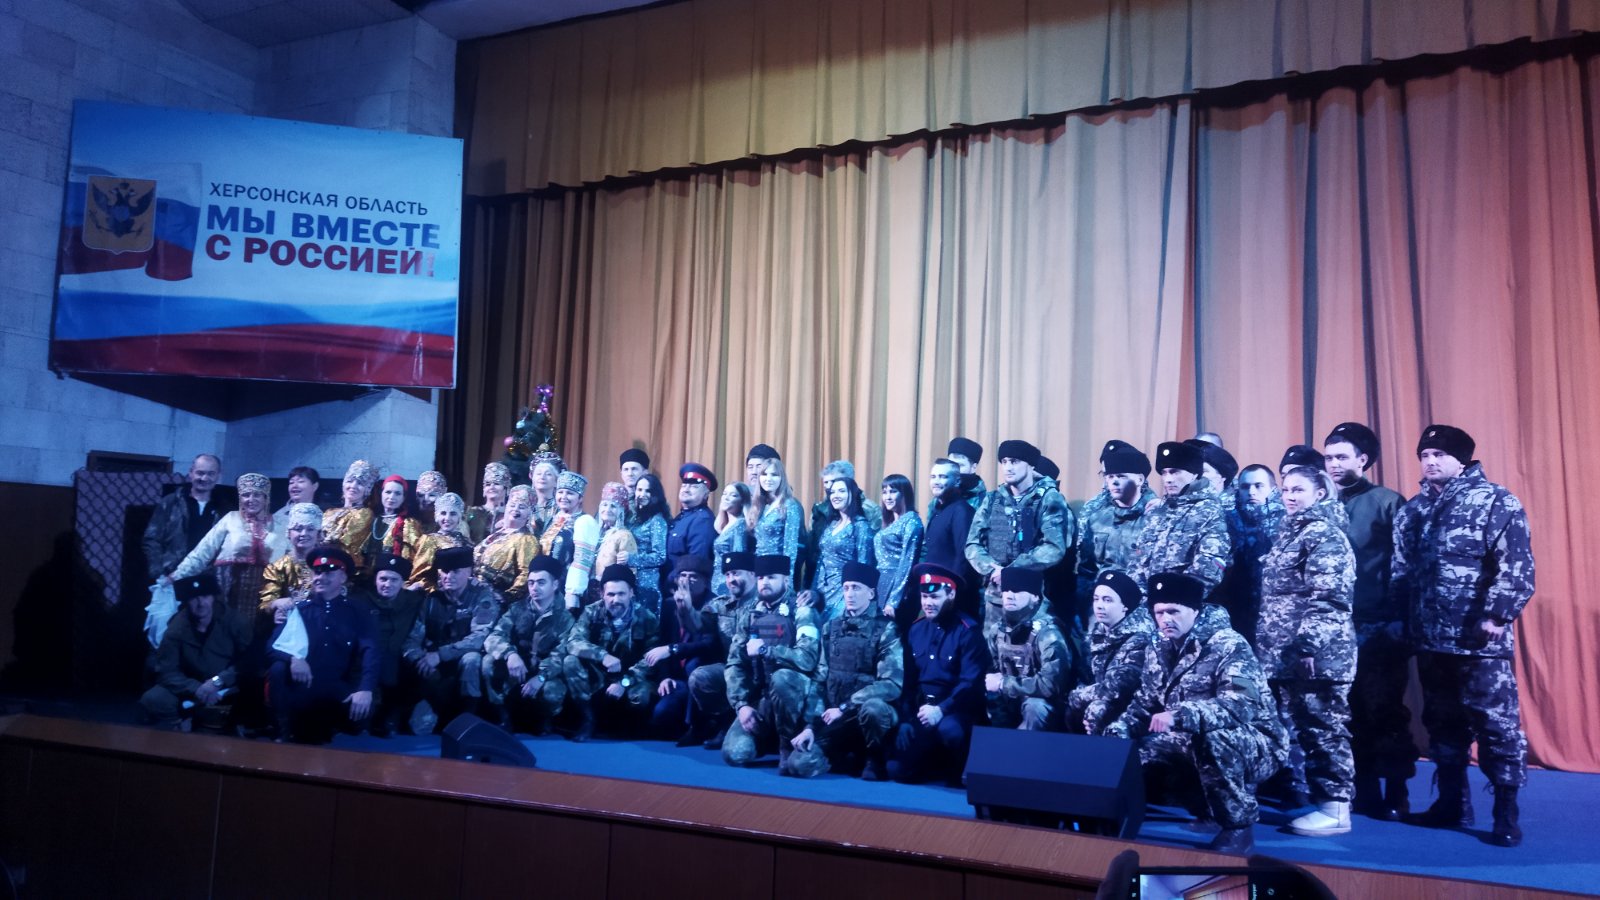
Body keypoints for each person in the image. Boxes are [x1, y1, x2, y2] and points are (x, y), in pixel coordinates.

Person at [1392, 425, 1535, 847]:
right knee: (1442, 724)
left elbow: (1516, 564)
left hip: (1479, 642)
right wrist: (1401, 620)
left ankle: (1505, 813)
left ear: (1462, 459)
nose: (1430, 461)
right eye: (1425, 455)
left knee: (1496, 726)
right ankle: (1451, 803)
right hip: (1431, 641)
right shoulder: (1413, 511)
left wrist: (1497, 614)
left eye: (1439, 454)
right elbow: (1401, 572)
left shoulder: (1495, 501)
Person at [1105, 573, 1287, 855]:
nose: (1166, 619)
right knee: (1132, 751)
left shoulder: (1231, 645)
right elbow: (1145, 702)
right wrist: (1120, 730)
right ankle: (1198, 808)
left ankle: (1238, 828)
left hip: (1257, 741)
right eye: (1159, 612)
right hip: (1190, 735)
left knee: (1213, 740)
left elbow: (1242, 703)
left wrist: (1179, 715)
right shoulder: (1159, 646)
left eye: (1174, 611)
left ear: (1196, 611)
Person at [1257, 465, 1358, 837]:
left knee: (1324, 729)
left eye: (1298, 490)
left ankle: (1336, 810)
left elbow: (1330, 599)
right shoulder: (1291, 533)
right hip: (1288, 655)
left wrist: (1308, 646)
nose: (1290, 496)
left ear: (1320, 493)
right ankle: (1324, 804)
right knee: (1307, 728)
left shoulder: (1323, 535)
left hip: (1318, 655)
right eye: (1286, 490)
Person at [1323, 421, 1416, 820]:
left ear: (1363, 460)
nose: (1333, 464)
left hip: (1379, 626)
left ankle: (1396, 790)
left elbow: (1406, 566)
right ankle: (1363, 789)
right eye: (1328, 457)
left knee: (1385, 710)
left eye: (1341, 457)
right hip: (1334, 629)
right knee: (1348, 711)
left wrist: (1397, 619)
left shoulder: (1387, 502)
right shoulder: (1319, 503)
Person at [787, 562, 903, 780]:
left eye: (856, 588)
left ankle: (874, 759)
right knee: (798, 765)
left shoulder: (886, 629)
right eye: (846, 588)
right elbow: (820, 680)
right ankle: (846, 758)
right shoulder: (831, 628)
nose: (850, 594)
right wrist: (811, 726)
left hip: (864, 716)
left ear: (871, 593)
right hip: (836, 719)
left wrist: (846, 706)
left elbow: (891, 684)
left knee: (874, 708)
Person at [264, 546, 379, 743]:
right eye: (317, 572)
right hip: (304, 686)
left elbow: (371, 651)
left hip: (337, 685)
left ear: (343, 577)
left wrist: (365, 689)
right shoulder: (300, 610)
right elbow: (271, 647)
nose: (320, 577)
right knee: (277, 669)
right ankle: (282, 727)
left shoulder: (357, 612)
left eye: (328, 573)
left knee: (359, 721)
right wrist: (293, 659)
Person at [721, 554, 824, 773]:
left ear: (786, 580)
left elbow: (807, 659)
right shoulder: (751, 614)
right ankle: (765, 740)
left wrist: (767, 651)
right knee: (734, 754)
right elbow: (734, 663)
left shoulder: (802, 611)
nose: (764, 582)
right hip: (762, 698)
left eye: (771, 577)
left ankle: (786, 744)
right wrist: (741, 705)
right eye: (760, 578)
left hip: (796, 699)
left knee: (782, 678)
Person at [965, 439, 1075, 642]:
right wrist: (991, 569)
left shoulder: (1048, 498)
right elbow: (972, 544)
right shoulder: (992, 499)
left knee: (1032, 650)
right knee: (993, 650)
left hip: (1032, 597)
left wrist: (1011, 571)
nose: (1008, 467)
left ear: (1031, 465)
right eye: (1004, 461)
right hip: (996, 596)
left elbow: (1054, 548)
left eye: (1014, 461)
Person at [888, 562, 987, 785]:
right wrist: (905, 718)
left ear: (951, 594)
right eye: (924, 597)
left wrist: (941, 709)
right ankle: (931, 763)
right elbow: (908, 681)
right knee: (897, 770)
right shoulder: (916, 629)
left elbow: (970, 683)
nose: (928, 603)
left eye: (934, 597)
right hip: (923, 710)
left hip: (955, 711)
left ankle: (953, 770)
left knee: (951, 731)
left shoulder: (967, 631)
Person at [169, 472, 287, 638]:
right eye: (246, 495)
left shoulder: (281, 525)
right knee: (225, 635)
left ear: (265, 497)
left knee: (257, 638)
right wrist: (177, 576)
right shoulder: (230, 519)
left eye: (257, 495)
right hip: (228, 593)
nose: (251, 499)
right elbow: (203, 551)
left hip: (265, 596)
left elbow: (292, 560)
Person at [401, 545, 502, 734]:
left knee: (472, 659)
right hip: (434, 665)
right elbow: (412, 638)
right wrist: (418, 659)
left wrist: (440, 654)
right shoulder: (431, 600)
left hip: (461, 660)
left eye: (456, 571)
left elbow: (479, 638)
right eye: (444, 571)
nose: (449, 577)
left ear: (469, 572)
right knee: (418, 726)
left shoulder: (481, 597)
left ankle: (468, 718)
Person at [557, 565, 662, 741]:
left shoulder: (647, 618)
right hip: (600, 674)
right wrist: (602, 655)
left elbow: (650, 660)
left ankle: (627, 725)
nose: (615, 600)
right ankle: (588, 719)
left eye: (621, 594)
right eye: (611, 594)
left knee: (641, 696)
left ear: (631, 593)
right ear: (602, 594)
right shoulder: (591, 612)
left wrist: (624, 682)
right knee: (570, 662)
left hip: (631, 677)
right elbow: (573, 642)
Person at [141, 571, 252, 732]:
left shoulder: (235, 621)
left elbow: (249, 660)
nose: (201, 603)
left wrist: (219, 681)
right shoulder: (176, 629)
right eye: (194, 598)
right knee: (153, 699)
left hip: (228, 687)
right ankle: (181, 724)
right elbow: (167, 671)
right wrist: (197, 688)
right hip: (191, 687)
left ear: (213, 597)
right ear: (186, 601)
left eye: (205, 596)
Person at [482, 555, 573, 734]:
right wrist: (510, 654)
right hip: (518, 668)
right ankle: (504, 716)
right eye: (531, 582)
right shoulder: (516, 609)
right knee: (487, 662)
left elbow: (562, 653)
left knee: (552, 691)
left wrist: (541, 677)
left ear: (555, 585)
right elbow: (494, 636)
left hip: (545, 672)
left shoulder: (565, 618)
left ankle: (545, 719)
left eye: (541, 582)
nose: (534, 588)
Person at [1128, 442, 1231, 594]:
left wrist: (1167, 599)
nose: (1168, 479)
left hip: (1181, 602)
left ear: (1194, 474)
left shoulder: (1209, 511)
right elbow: (1137, 561)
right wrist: (1138, 597)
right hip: (1146, 600)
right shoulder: (1158, 511)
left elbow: (1207, 570)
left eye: (1175, 472)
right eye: (1164, 473)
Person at [640, 555, 723, 740]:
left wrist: (673, 649)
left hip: (705, 677)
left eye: (693, 576)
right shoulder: (669, 604)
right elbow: (661, 642)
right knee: (661, 714)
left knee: (695, 663)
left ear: (705, 581)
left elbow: (708, 645)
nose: (686, 580)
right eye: (683, 575)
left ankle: (698, 725)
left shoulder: (714, 605)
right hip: (678, 678)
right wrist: (665, 677)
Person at [1076, 441, 1156, 627]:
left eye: (1121, 476)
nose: (1114, 482)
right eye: (1110, 476)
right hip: (1100, 607)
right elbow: (1087, 570)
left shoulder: (1155, 518)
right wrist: (1082, 606)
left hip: (1141, 610)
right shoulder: (1097, 519)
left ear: (1140, 479)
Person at [985, 566, 1075, 731]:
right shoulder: (997, 630)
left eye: (1017, 590)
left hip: (1046, 706)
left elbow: (1051, 685)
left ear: (1035, 596)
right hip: (1010, 700)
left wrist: (1004, 684)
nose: (1009, 595)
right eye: (1006, 590)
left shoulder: (1048, 633)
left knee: (1036, 706)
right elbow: (991, 672)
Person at [1065, 570, 1154, 735]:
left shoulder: (1140, 639)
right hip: (1098, 697)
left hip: (1130, 706)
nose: (1099, 605)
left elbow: (1118, 687)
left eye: (1107, 600)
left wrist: (1079, 695)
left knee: (1097, 709)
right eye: (1096, 599)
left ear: (1125, 605)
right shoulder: (1097, 633)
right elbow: (1084, 675)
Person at [687, 550, 757, 749]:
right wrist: (685, 609)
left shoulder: (766, 602)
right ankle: (724, 722)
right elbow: (697, 626)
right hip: (732, 673)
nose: (731, 579)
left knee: (739, 753)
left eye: (736, 573)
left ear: (753, 574)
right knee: (699, 677)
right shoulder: (720, 605)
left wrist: (814, 596)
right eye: (727, 574)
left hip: (761, 675)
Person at [1218, 464, 1284, 646]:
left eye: (1258, 486)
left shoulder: (1286, 521)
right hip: (1234, 605)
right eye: (1245, 487)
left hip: (1274, 610)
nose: (1251, 492)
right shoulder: (1225, 519)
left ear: (1273, 488)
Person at [143, 453, 228, 583]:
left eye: (211, 474)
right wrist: (159, 573)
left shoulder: (223, 510)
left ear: (218, 475)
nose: (204, 478)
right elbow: (152, 539)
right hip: (171, 577)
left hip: (207, 580)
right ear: (191, 473)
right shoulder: (171, 502)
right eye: (200, 473)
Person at [367, 553, 426, 736]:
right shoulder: (362, 600)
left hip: (399, 664)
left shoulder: (414, 601)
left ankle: (392, 716)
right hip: (366, 662)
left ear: (402, 582)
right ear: (375, 580)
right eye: (383, 579)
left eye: (394, 580)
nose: (387, 584)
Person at [805, 477, 877, 621]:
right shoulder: (831, 525)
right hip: (821, 592)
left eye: (841, 491)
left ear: (852, 494)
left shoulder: (861, 526)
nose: (836, 496)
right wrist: (813, 591)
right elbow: (821, 561)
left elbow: (864, 566)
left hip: (844, 592)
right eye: (832, 492)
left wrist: (855, 596)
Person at [923, 458, 979, 623]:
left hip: (954, 599)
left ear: (957, 481)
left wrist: (951, 593)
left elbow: (964, 557)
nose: (936, 481)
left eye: (943, 477)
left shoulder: (962, 511)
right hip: (935, 595)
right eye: (933, 477)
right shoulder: (937, 511)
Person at [540, 471, 601, 612]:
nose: (563, 497)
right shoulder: (553, 519)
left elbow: (582, 560)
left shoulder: (585, 522)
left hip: (566, 588)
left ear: (580, 498)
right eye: (560, 492)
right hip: (546, 586)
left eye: (570, 493)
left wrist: (573, 593)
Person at [474, 485, 544, 604]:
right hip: (474, 593)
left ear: (529, 513)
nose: (515, 509)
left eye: (521, 507)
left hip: (494, 600)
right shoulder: (497, 533)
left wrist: (506, 597)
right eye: (512, 505)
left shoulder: (527, 539)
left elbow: (526, 573)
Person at [260, 502, 322, 616]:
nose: (303, 533)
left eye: (310, 529)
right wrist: (276, 604)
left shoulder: (327, 564)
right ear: (288, 533)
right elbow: (266, 603)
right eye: (298, 529)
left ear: (318, 534)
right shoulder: (277, 567)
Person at [873, 474, 923, 616]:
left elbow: (907, 562)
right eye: (884, 492)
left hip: (898, 587)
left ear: (904, 494)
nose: (887, 497)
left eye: (893, 491)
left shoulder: (911, 521)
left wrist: (894, 600)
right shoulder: (889, 523)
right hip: (881, 584)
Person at [749, 457, 804, 578]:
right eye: (764, 474)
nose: (768, 479)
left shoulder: (789, 505)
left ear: (781, 478)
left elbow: (790, 548)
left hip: (777, 572)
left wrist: (787, 579)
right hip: (759, 569)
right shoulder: (762, 506)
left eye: (774, 475)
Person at [627, 473, 672, 615]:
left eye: (648, 491)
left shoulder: (657, 520)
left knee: (646, 624)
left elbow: (660, 556)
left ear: (656, 495)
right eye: (639, 490)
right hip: (632, 580)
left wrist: (631, 559)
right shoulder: (635, 517)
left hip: (647, 584)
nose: (642, 494)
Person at [408, 492, 472, 591]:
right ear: (437, 516)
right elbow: (419, 576)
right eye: (443, 513)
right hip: (438, 594)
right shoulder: (430, 540)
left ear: (459, 517)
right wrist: (437, 590)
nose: (447, 518)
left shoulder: (466, 542)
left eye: (453, 514)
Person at [322, 460, 378, 570]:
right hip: (323, 563)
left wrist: (322, 540)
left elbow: (343, 540)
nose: (353, 486)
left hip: (347, 568)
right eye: (350, 481)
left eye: (360, 483)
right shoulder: (329, 512)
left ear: (367, 489)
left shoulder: (365, 514)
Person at [364, 475, 425, 576]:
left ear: (403, 498)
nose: (391, 497)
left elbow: (410, 558)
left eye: (397, 493)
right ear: (381, 493)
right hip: (365, 575)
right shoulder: (369, 519)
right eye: (388, 492)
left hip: (390, 577)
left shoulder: (408, 524)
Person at [666, 463, 718, 566]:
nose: (686, 490)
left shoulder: (702, 520)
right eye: (684, 485)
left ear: (706, 494)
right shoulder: (681, 517)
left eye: (694, 486)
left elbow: (696, 564)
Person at [711, 482, 754, 599]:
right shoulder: (726, 526)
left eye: (733, 495)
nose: (726, 498)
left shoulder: (740, 526)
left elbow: (738, 558)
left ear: (742, 501)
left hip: (728, 583)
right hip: (718, 580)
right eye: (724, 494)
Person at [594, 482, 640, 580]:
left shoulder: (624, 536)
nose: (607, 509)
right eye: (604, 505)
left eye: (613, 506)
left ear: (621, 511)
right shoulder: (595, 533)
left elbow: (629, 574)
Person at [464, 461, 512, 545]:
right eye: (488, 484)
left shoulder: (512, 515)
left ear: (506, 487)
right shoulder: (472, 512)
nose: (491, 487)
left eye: (496, 483)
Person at [271, 466, 321, 533]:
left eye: (300, 481)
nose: (294, 486)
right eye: (291, 482)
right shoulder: (278, 517)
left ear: (315, 486)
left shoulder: (325, 515)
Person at [943, 437, 987, 509]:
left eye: (960, 465)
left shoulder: (985, 503)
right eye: (951, 464)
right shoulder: (940, 498)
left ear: (973, 467)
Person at [529, 452, 565, 534]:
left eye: (548, 474)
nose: (542, 477)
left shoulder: (561, 508)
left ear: (556, 480)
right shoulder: (526, 505)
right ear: (532, 477)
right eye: (538, 474)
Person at [618, 448, 650, 519]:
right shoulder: (613, 499)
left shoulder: (653, 501)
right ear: (621, 474)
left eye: (634, 469)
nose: (630, 474)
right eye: (626, 469)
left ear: (645, 473)